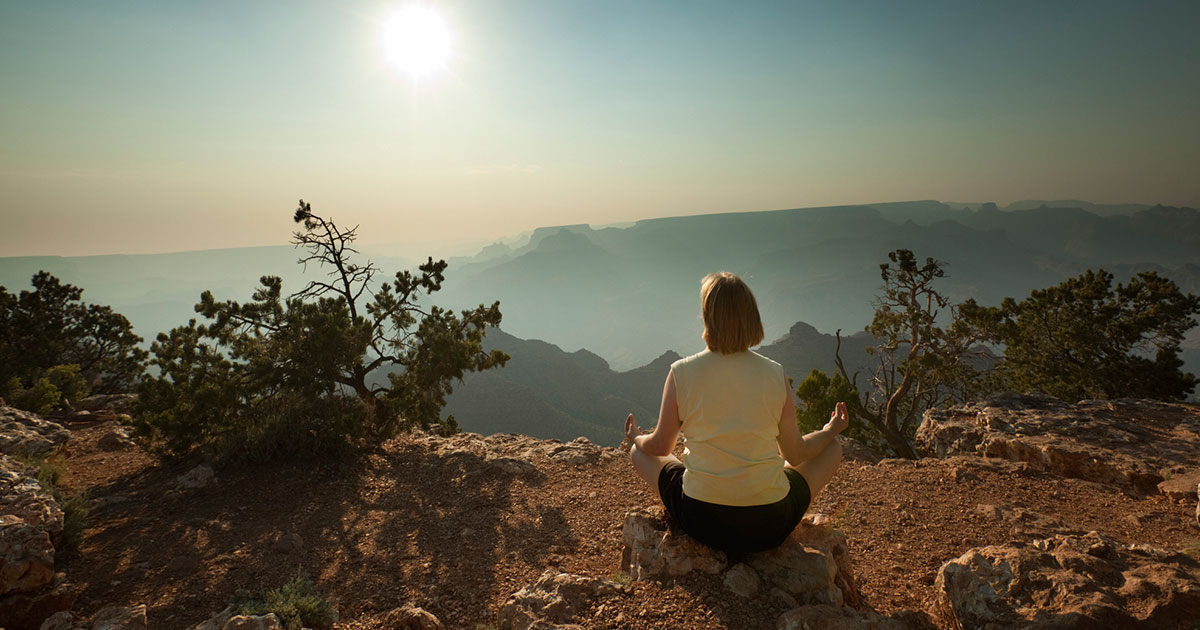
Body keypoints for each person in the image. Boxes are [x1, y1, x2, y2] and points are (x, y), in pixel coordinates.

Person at [623, 271, 848, 553]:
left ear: (708, 318)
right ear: (750, 317)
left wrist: (636, 438)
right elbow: (796, 454)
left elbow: (660, 445)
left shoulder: (681, 372)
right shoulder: (775, 374)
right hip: (769, 525)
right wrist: (830, 430)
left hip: (701, 520)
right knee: (832, 448)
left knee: (639, 453)